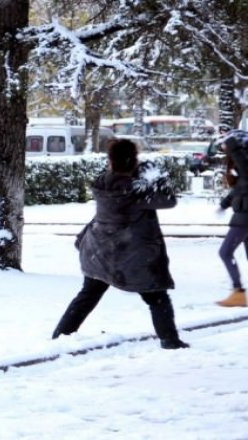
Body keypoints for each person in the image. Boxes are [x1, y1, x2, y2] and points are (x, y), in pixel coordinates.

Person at [51, 139, 189, 349]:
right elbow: (168, 200)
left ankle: (60, 335)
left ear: (111, 161)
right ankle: (170, 340)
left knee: (88, 294)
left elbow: (122, 182)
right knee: (157, 297)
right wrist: (158, 178)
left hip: (99, 250)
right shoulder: (137, 192)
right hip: (131, 256)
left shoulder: (102, 183)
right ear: (133, 161)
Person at [215, 130, 248, 307]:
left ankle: (238, 292)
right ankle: (239, 293)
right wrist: (224, 204)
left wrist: (232, 144)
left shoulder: (246, 164)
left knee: (225, 252)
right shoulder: (244, 172)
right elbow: (239, 190)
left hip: (244, 218)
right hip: (242, 216)